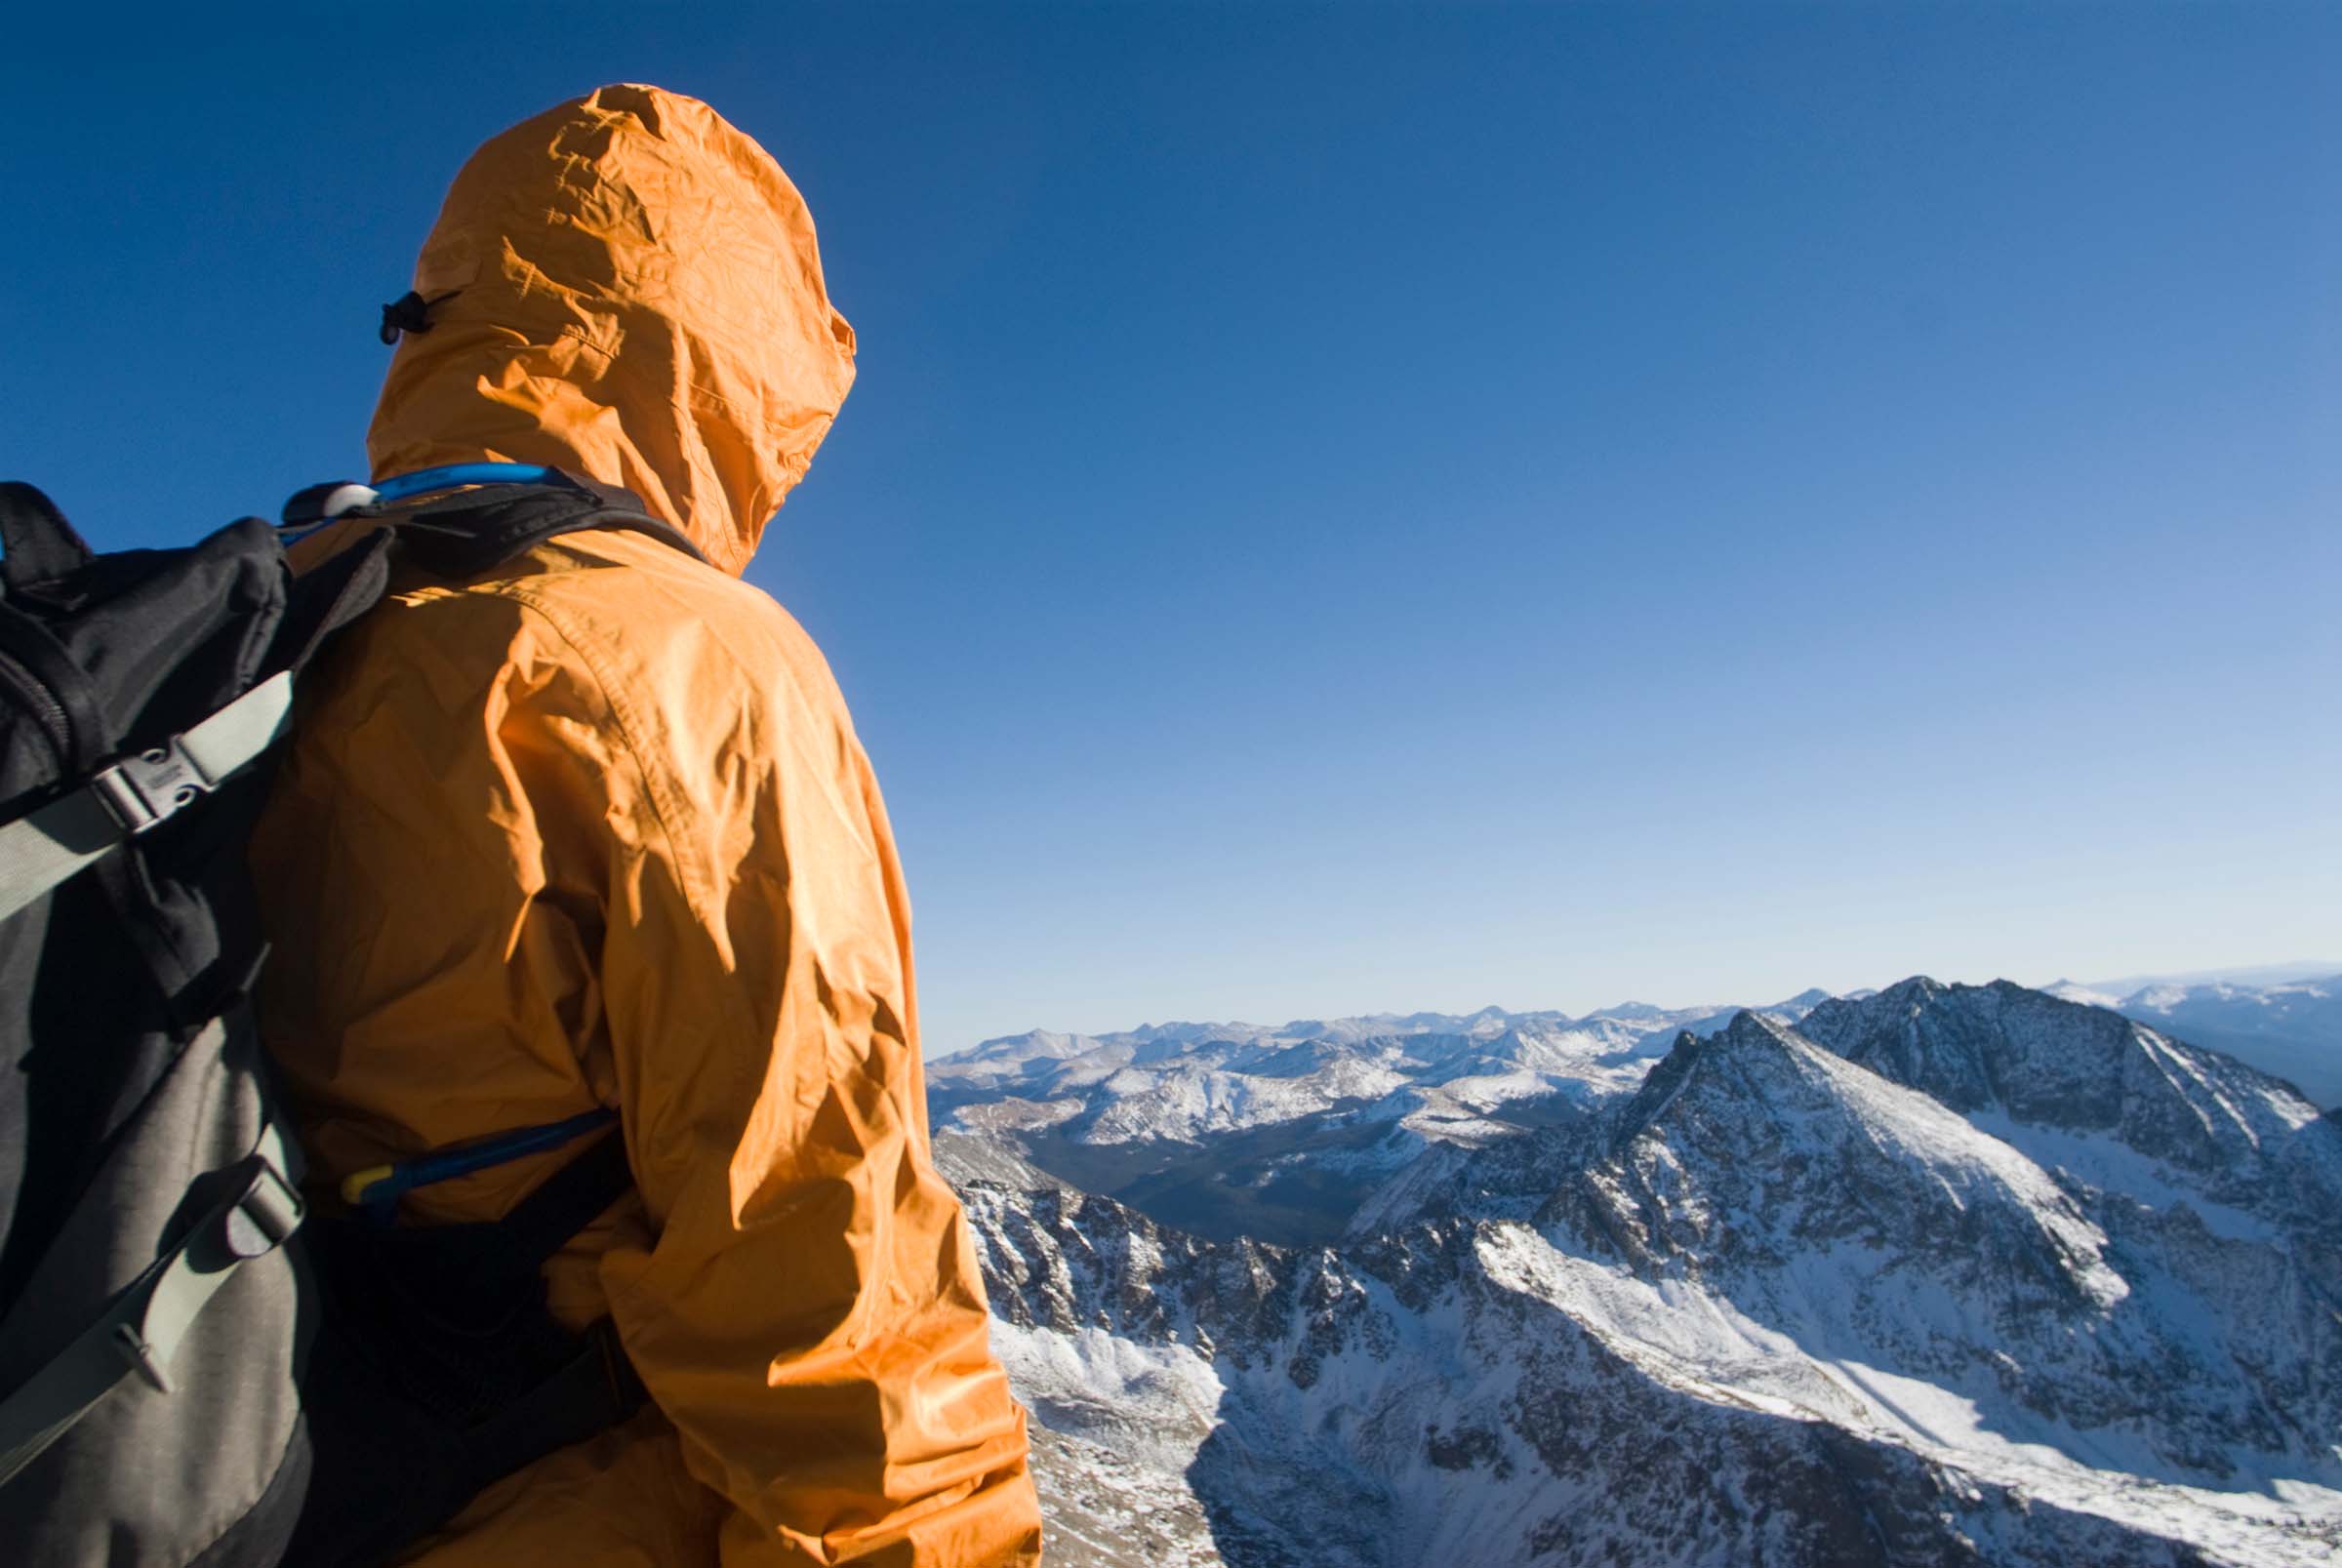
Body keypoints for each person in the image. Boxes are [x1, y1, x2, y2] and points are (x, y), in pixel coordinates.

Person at [249, 84, 1045, 1566]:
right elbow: (827, 1289)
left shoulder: (280, 617)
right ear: (729, 367)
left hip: (237, 1477)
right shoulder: (683, 659)